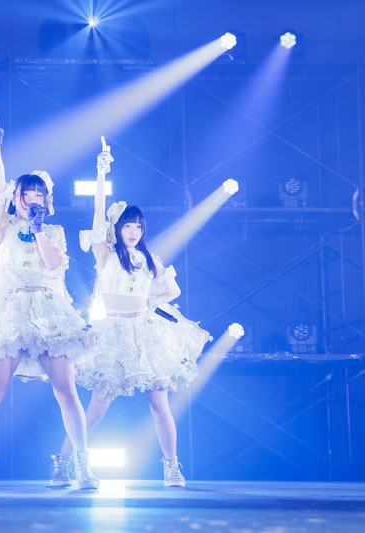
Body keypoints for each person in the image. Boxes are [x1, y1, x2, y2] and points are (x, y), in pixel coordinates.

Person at [50, 138, 209, 488]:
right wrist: (101, 173)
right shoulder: (106, 254)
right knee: (96, 411)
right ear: (117, 229)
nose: (134, 232)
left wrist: (150, 303)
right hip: (113, 335)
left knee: (160, 406)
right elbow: (98, 214)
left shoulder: (149, 259)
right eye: (127, 226)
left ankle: (172, 467)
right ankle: (63, 463)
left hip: (147, 335)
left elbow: (173, 290)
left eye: (138, 227)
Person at [0, 111, 98, 490]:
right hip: (10, 313)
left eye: (39, 194)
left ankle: (81, 465)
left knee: (67, 391)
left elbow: (54, 266)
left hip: (49, 313)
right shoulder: (0, 228)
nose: (33, 198)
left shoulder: (54, 231)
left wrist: (39, 230)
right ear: (16, 197)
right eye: (27, 193)